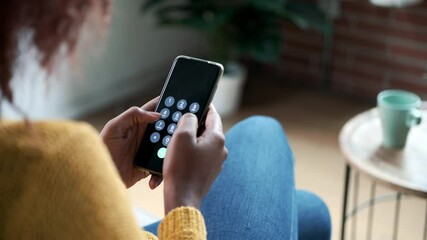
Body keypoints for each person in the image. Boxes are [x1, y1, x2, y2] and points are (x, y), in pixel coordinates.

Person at [0, 1, 331, 239]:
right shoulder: (42, 160)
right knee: (261, 132)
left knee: (310, 212)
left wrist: (106, 180)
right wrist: (184, 197)